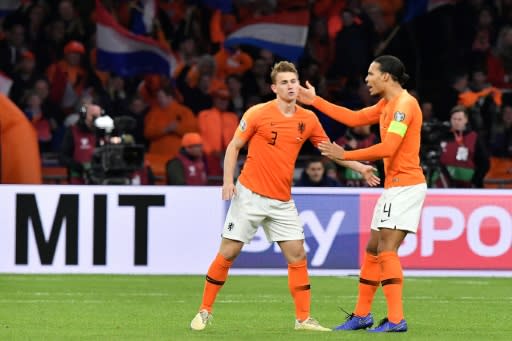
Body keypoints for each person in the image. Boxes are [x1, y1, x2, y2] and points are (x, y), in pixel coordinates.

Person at [190, 61, 380, 332]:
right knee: (229, 252)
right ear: (274, 87)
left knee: (297, 255)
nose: (291, 86)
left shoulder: (308, 118)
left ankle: (303, 319)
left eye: (294, 81)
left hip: (281, 200)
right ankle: (204, 311)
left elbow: (329, 150)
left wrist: (360, 167)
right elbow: (234, 146)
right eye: (285, 82)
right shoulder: (258, 113)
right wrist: (227, 181)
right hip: (250, 195)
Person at [298, 55, 427, 333]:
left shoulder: (405, 105)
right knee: (372, 250)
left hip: (406, 186)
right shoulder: (386, 104)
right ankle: (362, 315)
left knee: (386, 250)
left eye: (371, 73)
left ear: (386, 76)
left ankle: (396, 320)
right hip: (394, 187)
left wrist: (346, 155)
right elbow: (354, 118)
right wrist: (315, 101)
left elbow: (389, 147)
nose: (366, 79)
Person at [436, 105, 490, 188]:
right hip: (445, 185)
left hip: (469, 186)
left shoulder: (474, 137)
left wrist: (475, 181)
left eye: (460, 119)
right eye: (454, 119)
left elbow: (484, 163)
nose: (456, 122)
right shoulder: (443, 137)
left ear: (466, 120)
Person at [59, 104, 102, 184]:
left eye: (98, 116)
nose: (96, 119)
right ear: (84, 116)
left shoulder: (102, 132)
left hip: (100, 180)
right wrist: (79, 166)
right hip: (78, 180)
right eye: (93, 116)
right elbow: (62, 157)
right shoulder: (73, 131)